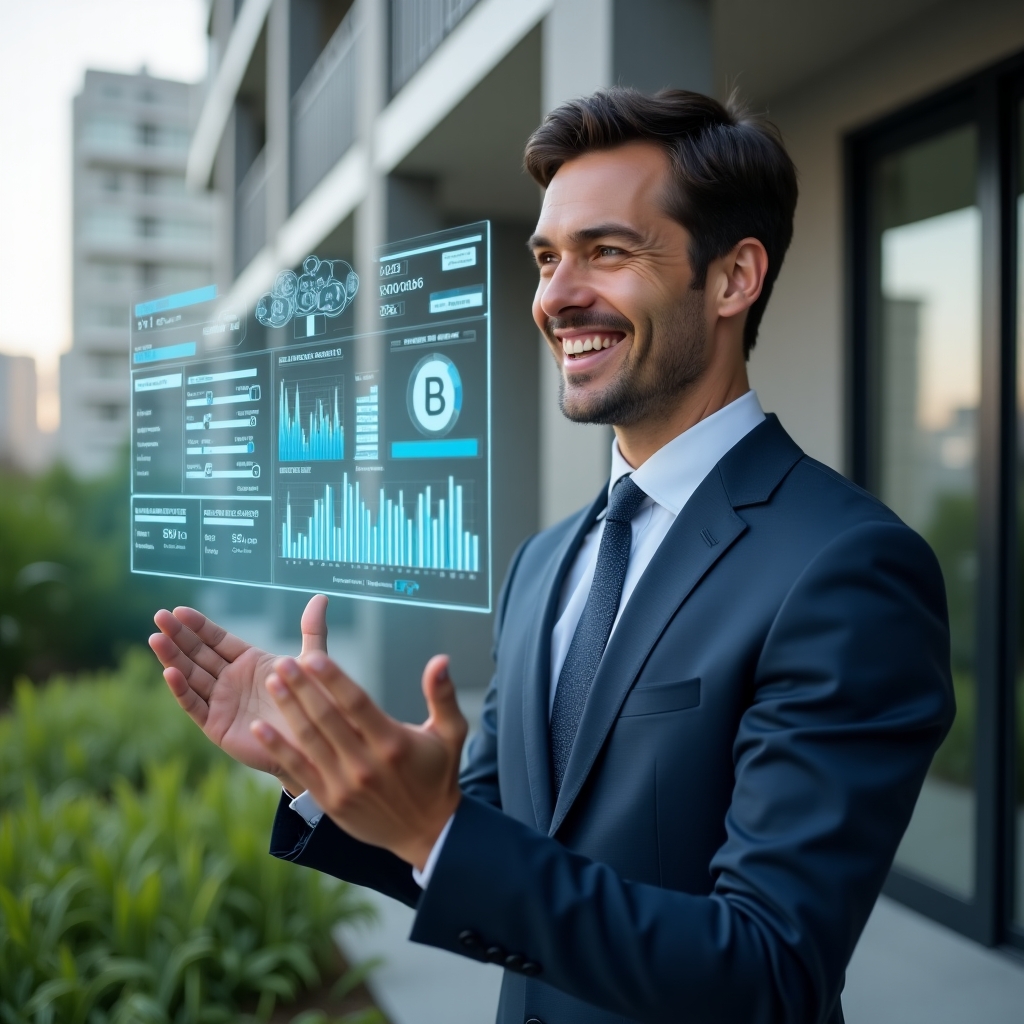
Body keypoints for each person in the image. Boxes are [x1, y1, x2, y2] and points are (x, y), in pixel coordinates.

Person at [150, 89, 955, 1024]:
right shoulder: (545, 562)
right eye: (546, 258)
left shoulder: (849, 568)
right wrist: (331, 774)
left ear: (734, 278)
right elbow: (491, 851)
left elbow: (770, 972)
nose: (556, 296)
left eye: (607, 252)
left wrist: (437, 827)